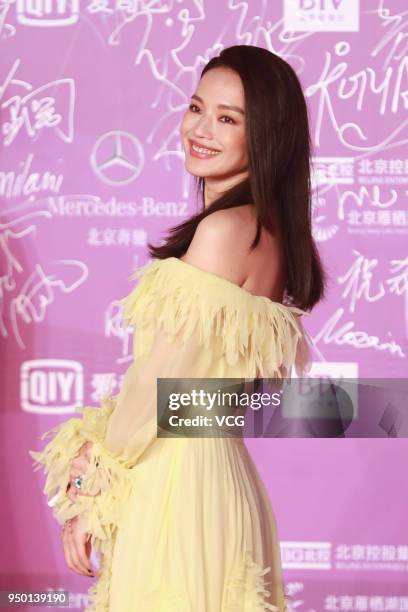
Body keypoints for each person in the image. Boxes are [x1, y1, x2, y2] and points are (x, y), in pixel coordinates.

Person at [29, 45, 327, 611]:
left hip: (174, 488)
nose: (201, 128)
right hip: (219, 478)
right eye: (196, 107)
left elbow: (156, 389)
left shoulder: (223, 231)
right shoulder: (267, 234)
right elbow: (214, 399)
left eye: (228, 118)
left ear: (266, 136)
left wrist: (87, 488)